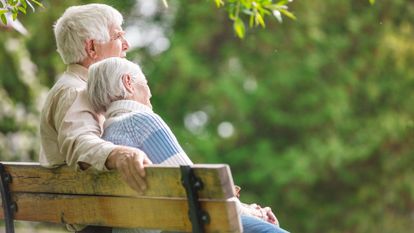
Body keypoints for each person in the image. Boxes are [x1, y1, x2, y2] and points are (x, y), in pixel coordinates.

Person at [87, 57, 290, 233]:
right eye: (146, 83)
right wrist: (254, 212)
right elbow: (200, 193)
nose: (150, 92)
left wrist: (245, 208)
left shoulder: (106, 136)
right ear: (128, 82)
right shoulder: (141, 121)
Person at [39, 4, 151, 233]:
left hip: (100, 215)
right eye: (118, 36)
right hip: (99, 221)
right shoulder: (76, 91)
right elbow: (79, 142)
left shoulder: (83, 90)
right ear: (92, 47)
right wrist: (119, 154)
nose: (127, 45)